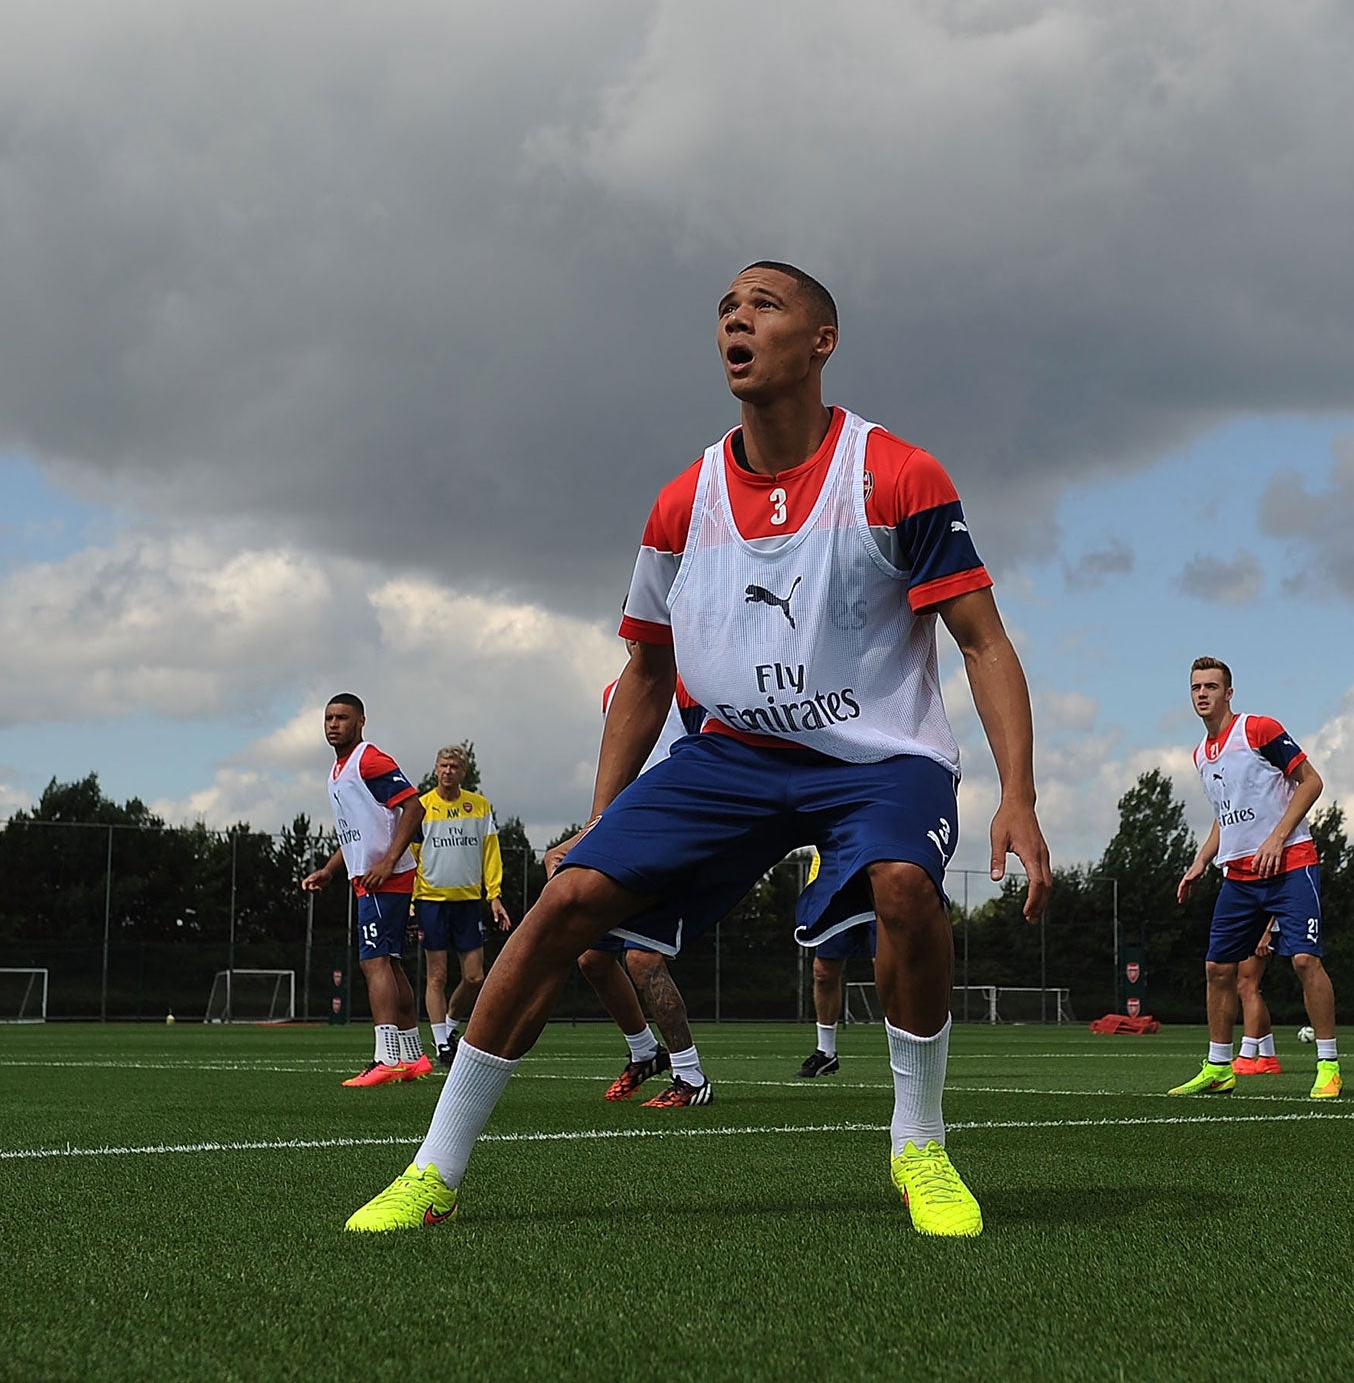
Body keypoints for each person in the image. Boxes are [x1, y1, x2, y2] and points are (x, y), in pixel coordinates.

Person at [346, 262, 1050, 1236]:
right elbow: (643, 672)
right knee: (566, 903)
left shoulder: (896, 476)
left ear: (820, 341)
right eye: (726, 308)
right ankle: (433, 1170)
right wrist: (602, 812)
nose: (737, 317)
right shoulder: (683, 503)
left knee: (900, 886)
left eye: (763, 304)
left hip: (880, 760)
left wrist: (1016, 793)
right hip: (733, 758)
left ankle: (918, 1143)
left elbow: (982, 640)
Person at [1171, 658, 1340, 1101]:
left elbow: (1311, 782)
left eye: (1211, 686)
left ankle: (1328, 1066)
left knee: (1304, 961)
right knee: (1217, 969)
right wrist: (1200, 861)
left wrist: (1277, 838)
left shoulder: (1258, 730)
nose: (1202, 694)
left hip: (1291, 865)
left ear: (1229, 693)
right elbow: (1223, 817)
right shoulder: (1200, 755)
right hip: (1239, 876)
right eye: (1195, 687)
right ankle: (1219, 1067)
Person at [578, 657, 715, 1107]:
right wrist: (591, 831)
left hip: (677, 834)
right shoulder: (612, 694)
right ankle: (644, 1052)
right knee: (592, 959)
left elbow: (711, 756)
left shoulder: (689, 683)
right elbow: (617, 771)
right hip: (626, 833)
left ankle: (691, 1077)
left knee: (642, 958)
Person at [302, 694, 432, 1086]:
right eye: (328, 718)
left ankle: (386, 1058)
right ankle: (413, 1057)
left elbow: (414, 808)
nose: (333, 724)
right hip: (367, 878)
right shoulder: (338, 772)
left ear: (360, 721)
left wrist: (388, 862)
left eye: (342, 717)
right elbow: (356, 832)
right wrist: (328, 869)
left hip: (385, 879)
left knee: (373, 962)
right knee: (389, 963)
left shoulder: (369, 760)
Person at [412, 746, 512, 1067]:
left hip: (468, 902)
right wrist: (411, 901)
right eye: (443, 765)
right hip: (431, 902)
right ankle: (441, 1044)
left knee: (474, 978)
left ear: (463, 771)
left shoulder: (479, 807)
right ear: (435, 769)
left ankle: (450, 1027)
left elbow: (490, 853)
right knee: (436, 976)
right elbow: (410, 856)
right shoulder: (422, 807)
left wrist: (494, 895)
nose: (448, 771)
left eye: (454, 766)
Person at [796, 847, 870, 1077]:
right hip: (837, 878)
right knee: (823, 972)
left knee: (891, 969)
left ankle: (909, 1050)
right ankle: (826, 1053)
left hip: (884, 868)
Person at [1232, 920, 1283, 1075]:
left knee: (1247, 985)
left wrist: (1267, 930)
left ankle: (1246, 1057)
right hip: (1254, 923)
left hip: (1262, 925)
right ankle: (1268, 1057)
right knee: (1247, 986)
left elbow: (1276, 896)